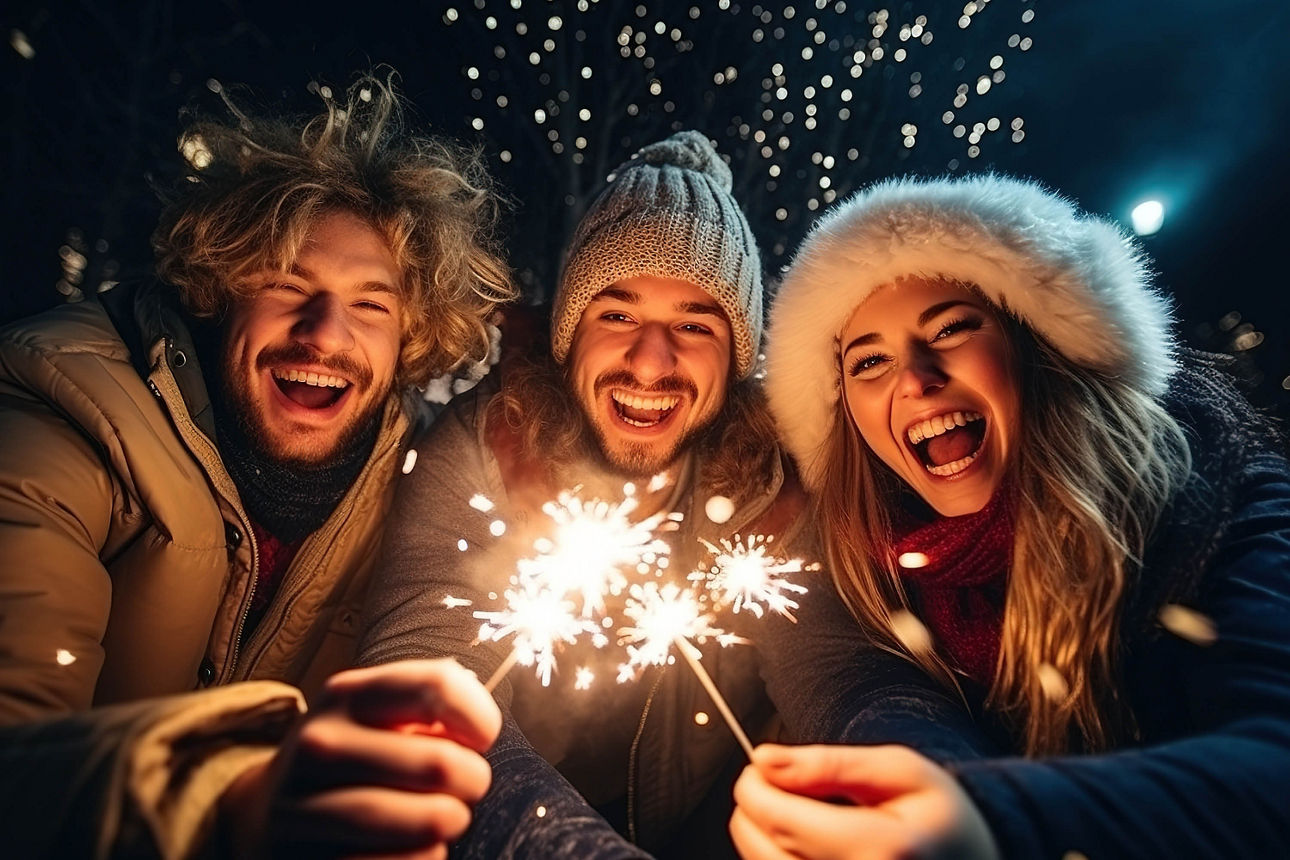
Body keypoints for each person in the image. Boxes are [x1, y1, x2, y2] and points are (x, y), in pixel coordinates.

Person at [0, 71, 515, 857]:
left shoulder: (419, 490)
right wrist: (227, 800)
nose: (324, 332)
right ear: (220, 290)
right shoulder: (60, 422)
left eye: (371, 304)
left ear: (411, 335)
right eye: (287, 284)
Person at [732, 173, 1290, 858]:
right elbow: (860, 693)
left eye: (954, 327)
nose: (914, 377)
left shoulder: (1218, 500)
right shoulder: (842, 565)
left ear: (1036, 346)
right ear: (844, 410)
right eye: (868, 360)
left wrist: (999, 820)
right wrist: (910, 796)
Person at [358, 130, 827, 858]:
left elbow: (837, 666)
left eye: (693, 325)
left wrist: (943, 786)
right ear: (569, 334)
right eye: (617, 314)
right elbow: (423, 678)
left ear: (736, 358)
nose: (650, 361)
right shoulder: (485, 448)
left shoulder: (774, 485)